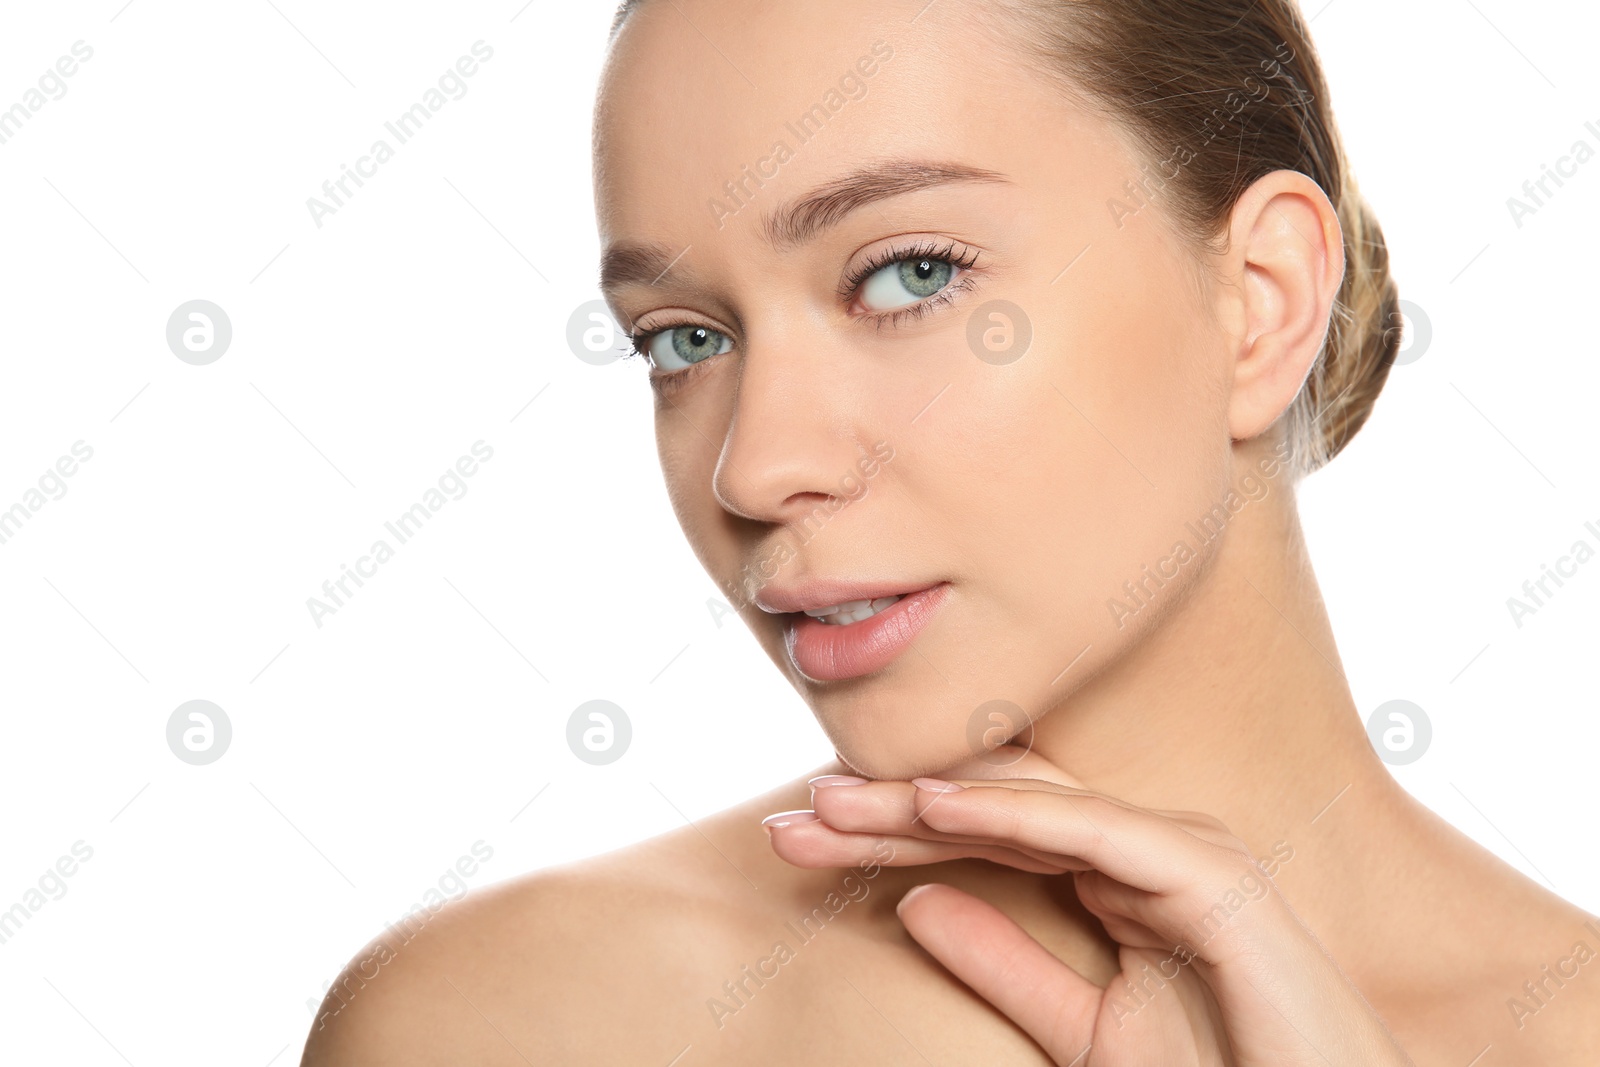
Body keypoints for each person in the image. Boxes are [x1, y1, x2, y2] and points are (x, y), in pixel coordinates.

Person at [301, 0, 1600, 1062]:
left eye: (910, 274)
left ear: (1258, 302)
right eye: (684, 340)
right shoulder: (505, 1025)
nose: (757, 467)